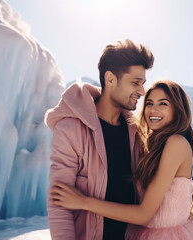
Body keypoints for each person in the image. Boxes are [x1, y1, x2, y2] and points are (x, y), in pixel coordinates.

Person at [51, 79, 193, 239]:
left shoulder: (176, 143)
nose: (153, 110)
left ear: (178, 109)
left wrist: (83, 202)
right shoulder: (153, 145)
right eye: (149, 103)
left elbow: (144, 214)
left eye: (163, 104)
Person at [44, 39, 154, 240]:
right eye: (135, 83)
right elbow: (59, 203)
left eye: (143, 84)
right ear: (110, 79)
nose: (142, 91)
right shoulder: (71, 129)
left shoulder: (137, 133)